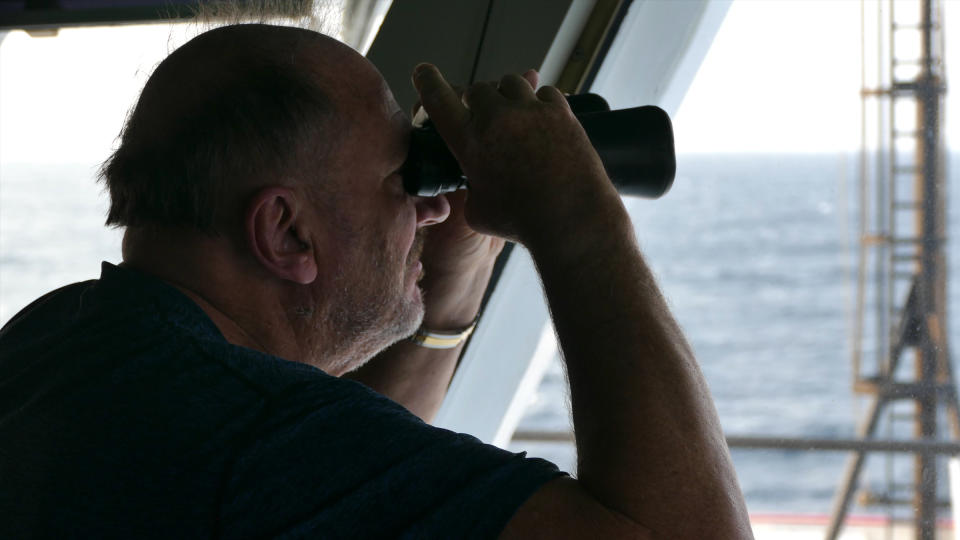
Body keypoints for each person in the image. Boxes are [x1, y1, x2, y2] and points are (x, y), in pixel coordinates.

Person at [0, 24, 752, 539]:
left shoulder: (58, 340)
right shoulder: (256, 444)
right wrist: (580, 226)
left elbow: (350, 467)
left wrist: (454, 272)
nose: (427, 207)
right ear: (287, 231)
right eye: (402, 177)